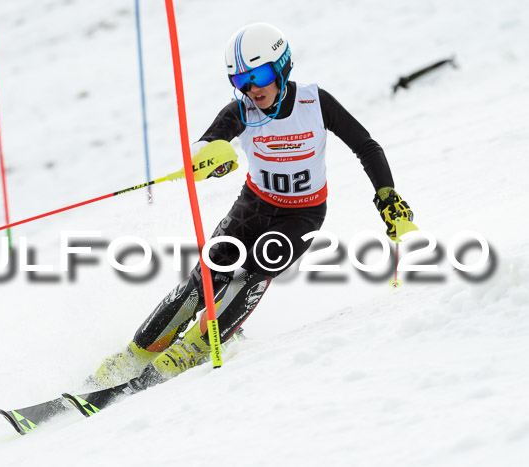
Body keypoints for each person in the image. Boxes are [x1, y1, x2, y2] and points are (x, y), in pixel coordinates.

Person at [88, 22, 413, 389]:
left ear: (281, 67)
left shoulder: (314, 102)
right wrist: (209, 159)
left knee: (259, 266)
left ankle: (190, 351)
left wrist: (387, 196)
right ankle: (137, 353)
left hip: (301, 214)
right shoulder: (242, 111)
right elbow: (207, 144)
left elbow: (366, 146)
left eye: (258, 76)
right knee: (208, 274)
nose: (252, 89)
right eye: (241, 80)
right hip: (254, 205)